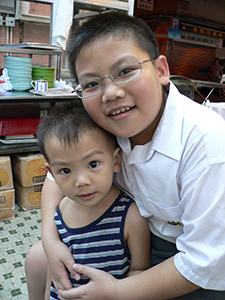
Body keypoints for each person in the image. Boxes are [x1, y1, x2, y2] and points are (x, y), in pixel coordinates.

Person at [25, 12, 225, 300]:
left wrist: (114, 291)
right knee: (38, 258)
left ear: (160, 71)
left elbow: (204, 261)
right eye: (92, 84)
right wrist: (49, 237)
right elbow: (56, 175)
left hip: (191, 257)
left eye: (126, 71)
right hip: (132, 236)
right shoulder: (106, 122)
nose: (111, 93)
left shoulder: (207, 145)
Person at [33, 101, 151, 299]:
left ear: (115, 161)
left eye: (93, 164)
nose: (81, 181)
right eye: (65, 170)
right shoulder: (61, 210)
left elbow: (139, 271)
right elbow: (54, 271)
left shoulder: (131, 217)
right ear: (51, 171)